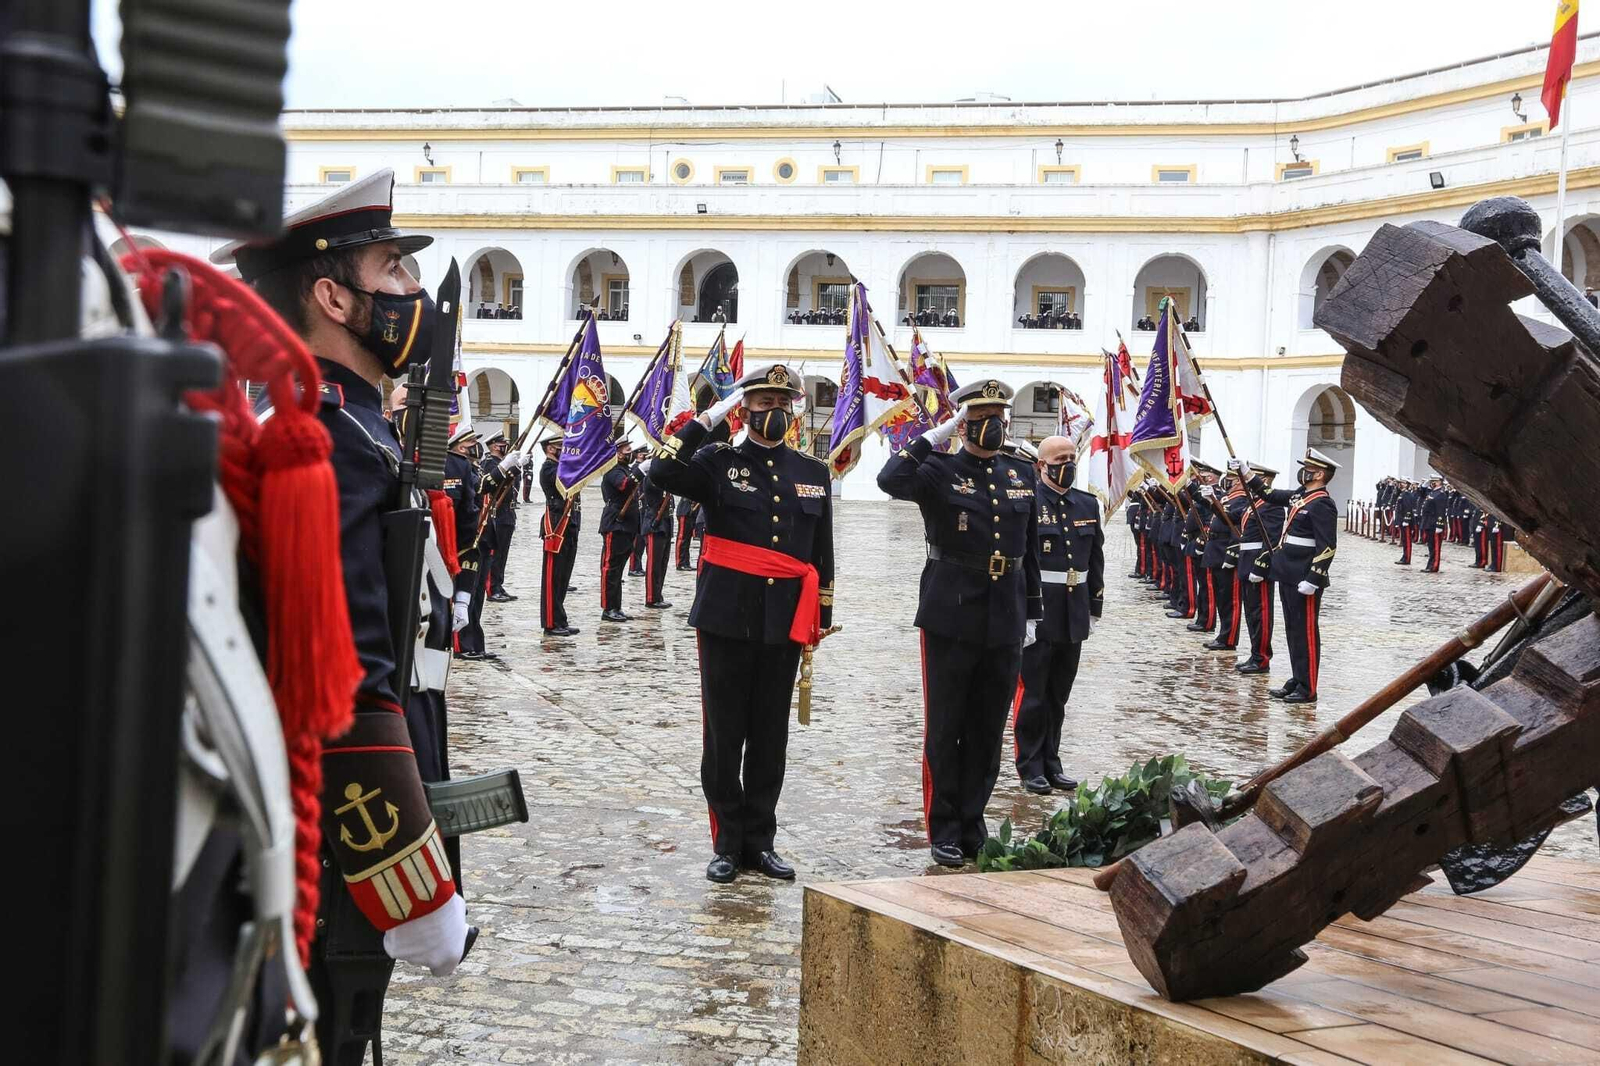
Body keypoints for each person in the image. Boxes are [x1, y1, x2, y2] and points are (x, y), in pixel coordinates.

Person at [217, 168, 474, 1061]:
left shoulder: (357, 426)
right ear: (332, 294)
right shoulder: (325, 435)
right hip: (335, 846)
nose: (414, 294)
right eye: (392, 271)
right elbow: (345, 684)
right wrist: (411, 884)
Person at [648, 364, 834, 884]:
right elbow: (660, 472)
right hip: (727, 615)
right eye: (764, 402)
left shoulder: (811, 473)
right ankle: (727, 843)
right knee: (725, 735)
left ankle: (761, 841)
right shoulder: (716, 461)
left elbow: (823, 553)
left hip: (784, 622)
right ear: (746, 408)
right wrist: (706, 418)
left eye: (783, 402)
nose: (775, 411)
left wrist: (821, 614)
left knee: (770, 736)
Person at [878, 380, 1043, 868]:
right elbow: (890, 479)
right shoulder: (938, 471)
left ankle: (974, 822)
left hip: (1006, 612)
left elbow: (1028, 549)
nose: (994, 424)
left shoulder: (1020, 472)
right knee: (946, 724)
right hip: (951, 610)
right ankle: (943, 826)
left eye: (1000, 415)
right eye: (982, 415)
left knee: (988, 727)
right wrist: (935, 435)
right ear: (964, 422)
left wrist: (1032, 611)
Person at [1012, 435, 1101, 795]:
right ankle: (1030, 765)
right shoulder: (1030, 502)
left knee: (1058, 696)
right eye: (1058, 460)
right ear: (1041, 466)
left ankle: (1052, 761)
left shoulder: (1087, 504)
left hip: (1073, 611)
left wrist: (1094, 606)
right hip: (1041, 611)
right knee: (1033, 694)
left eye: (1071, 458)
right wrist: (1025, 612)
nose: (1067, 465)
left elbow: (1095, 560)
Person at [1241, 448, 1338, 704]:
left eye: (1307, 468)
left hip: (1304, 578)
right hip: (1287, 572)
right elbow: (1268, 494)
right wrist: (1246, 473)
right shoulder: (1300, 496)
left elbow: (1327, 546)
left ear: (1318, 474)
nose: (1302, 471)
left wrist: (1314, 579)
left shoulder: (1322, 503)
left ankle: (1308, 688)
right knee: (1293, 631)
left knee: (1305, 632)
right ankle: (1298, 678)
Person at [1234, 463, 1284, 674]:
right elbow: (1230, 518)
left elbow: (1271, 539)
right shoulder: (1254, 503)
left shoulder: (1271, 506)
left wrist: (1260, 565)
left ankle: (1262, 658)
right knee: (1251, 613)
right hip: (1246, 559)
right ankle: (1255, 654)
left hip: (1257, 563)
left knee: (1261, 613)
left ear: (1264, 481)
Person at [1199, 463, 1247, 651]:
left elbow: (1237, 526)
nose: (1229, 482)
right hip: (1215, 549)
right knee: (1221, 597)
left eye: (1233, 479)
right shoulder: (1227, 497)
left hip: (1226, 550)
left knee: (1231, 600)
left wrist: (1232, 553)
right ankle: (1222, 634)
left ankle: (1229, 637)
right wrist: (1204, 497)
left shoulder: (1242, 500)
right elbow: (1216, 511)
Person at [538, 436, 581, 637]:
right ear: (550, 448)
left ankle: (560, 618)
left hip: (568, 524)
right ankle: (550, 622)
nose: (564, 449)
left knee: (563, 577)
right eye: (560, 446)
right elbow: (565, 481)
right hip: (556, 525)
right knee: (552, 578)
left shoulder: (562, 466)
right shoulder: (548, 469)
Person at [599, 439, 641, 622]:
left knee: (619, 569)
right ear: (617, 453)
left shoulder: (626, 469)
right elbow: (624, 485)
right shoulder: (612, 469)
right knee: (611, 568)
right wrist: (641, 470)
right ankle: (608, 608)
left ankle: (616, 606)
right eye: (627, 450)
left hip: (627, 525)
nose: (630, 453)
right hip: (615, 523)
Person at [484, 432, 520, 602]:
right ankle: (491, 588)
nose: (506, 446)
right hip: (497, 512)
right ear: (495, 446)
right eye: (503, 443)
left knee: (503, 553)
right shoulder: (490, 464)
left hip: (507, 512)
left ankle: (498, 584)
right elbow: (493, 484)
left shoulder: (501, 463)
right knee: (495, 553)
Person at [639, 465, 675, 608]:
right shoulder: (651, 479)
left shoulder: (665, 480)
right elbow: (656, 488)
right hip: (654, 523)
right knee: (653, 564)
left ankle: (658, 594)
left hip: (665, 525)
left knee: (662, 564)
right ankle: (651, 597)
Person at [1420, 474, 1447, 573]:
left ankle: (1434, 566)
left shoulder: (1441, 494)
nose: (1432, 483)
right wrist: (1423, 486)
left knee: (1435, 547)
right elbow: (1422, 495)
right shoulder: (1433, 492)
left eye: (1434, 481)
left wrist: (1439, 525)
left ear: (1440, 481)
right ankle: (1430, 565)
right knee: (1431, 546)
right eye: (1432, 481)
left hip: (1434, 524)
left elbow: (1441, 511)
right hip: (1428, 523)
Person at [676, 493, 702, 570]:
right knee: (682, 538)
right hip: (685, 510)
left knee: (687, 539)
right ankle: (680, 563)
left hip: (693, 512)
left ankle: (686, 562)